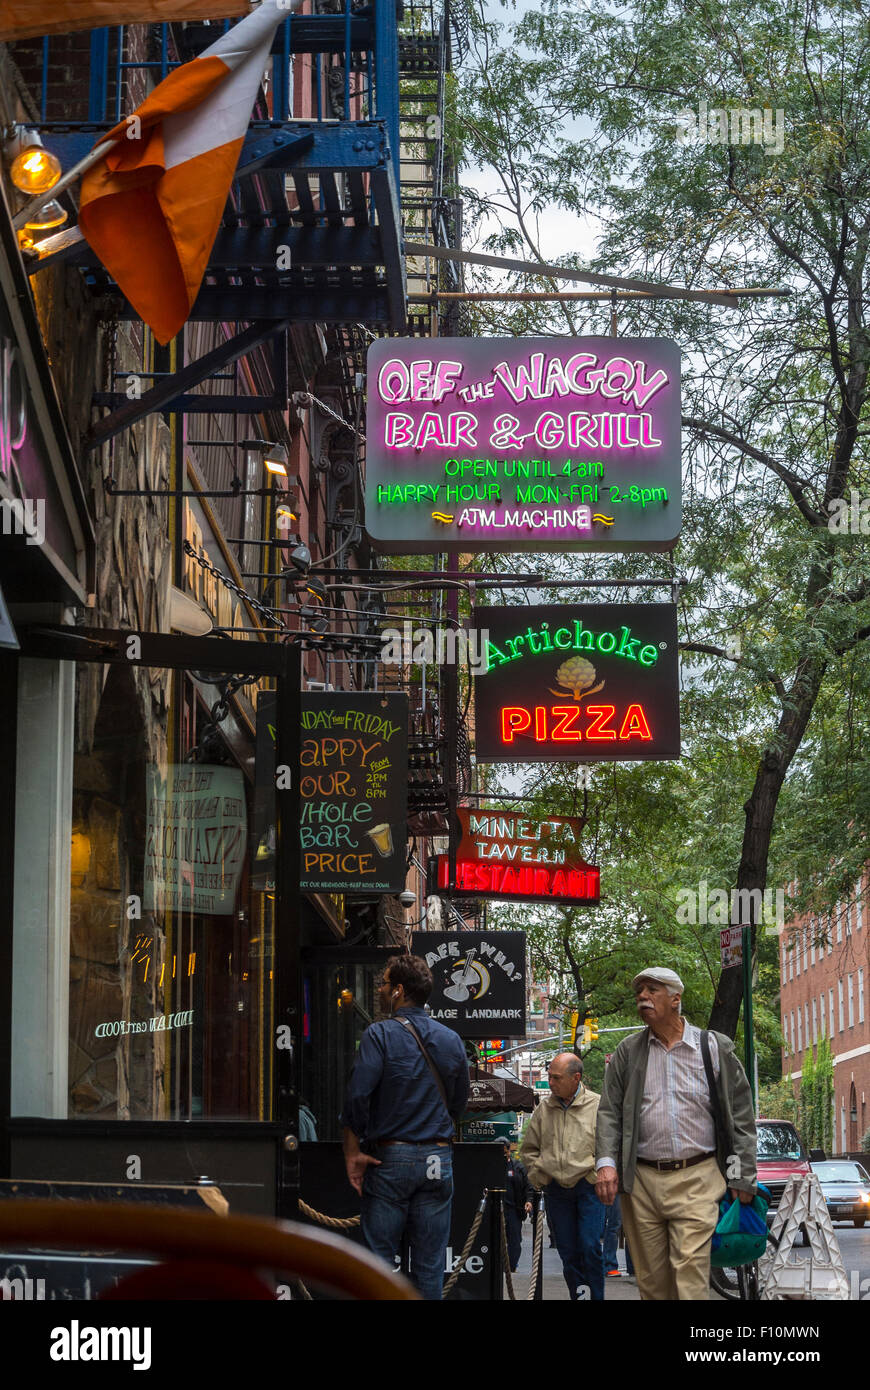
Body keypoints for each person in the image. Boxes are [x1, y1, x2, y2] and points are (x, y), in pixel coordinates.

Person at [595, 967, 757, 1301]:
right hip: (641, 1183)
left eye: (652, 990)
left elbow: (741, 1117)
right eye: (639, 991)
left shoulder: (713, 1048)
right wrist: (606, 1164)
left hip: (698, 1178)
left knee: (690, 1277)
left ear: (675, 999)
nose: (642, 996)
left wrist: (743, 1177)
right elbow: (609, 1111)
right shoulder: (628, 1051)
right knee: (653, 1286)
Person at [341, 954, 470, 1300]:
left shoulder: (378, 1034)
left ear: (399, 990)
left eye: (383, 983)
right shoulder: (451, 1039)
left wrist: (352, 1151)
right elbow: (459, 1102)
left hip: (390, 1159)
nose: (380, 990)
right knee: (430, 1268)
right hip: (437, 1160)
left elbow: (357, 1096)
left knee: (379, 1265)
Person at [521, 1052, 605, 1300]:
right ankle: (579, 1297)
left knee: (590, 1247)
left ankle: (595, 1298)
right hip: (557, 1189)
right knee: (568, 1252)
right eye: (549, 1077)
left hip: (589, 1188)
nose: (551, 1083)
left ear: (576, 1078)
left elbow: (610, 1146)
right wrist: (540, 1176)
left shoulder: (598, 1105)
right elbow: (528, 1150)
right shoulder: (544, 1109)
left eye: (556, 1078)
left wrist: (598, 1174)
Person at [500, 1137, 533, 1274]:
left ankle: (511, 1266)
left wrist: (529, 1200)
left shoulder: (518, 1167)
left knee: (514, 1240)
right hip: (496, 1209)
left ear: (508, 1151)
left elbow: (528, 1186)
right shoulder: (490, 1166)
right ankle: (498, 1264)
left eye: (504, 1151)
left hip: (514, 1208)